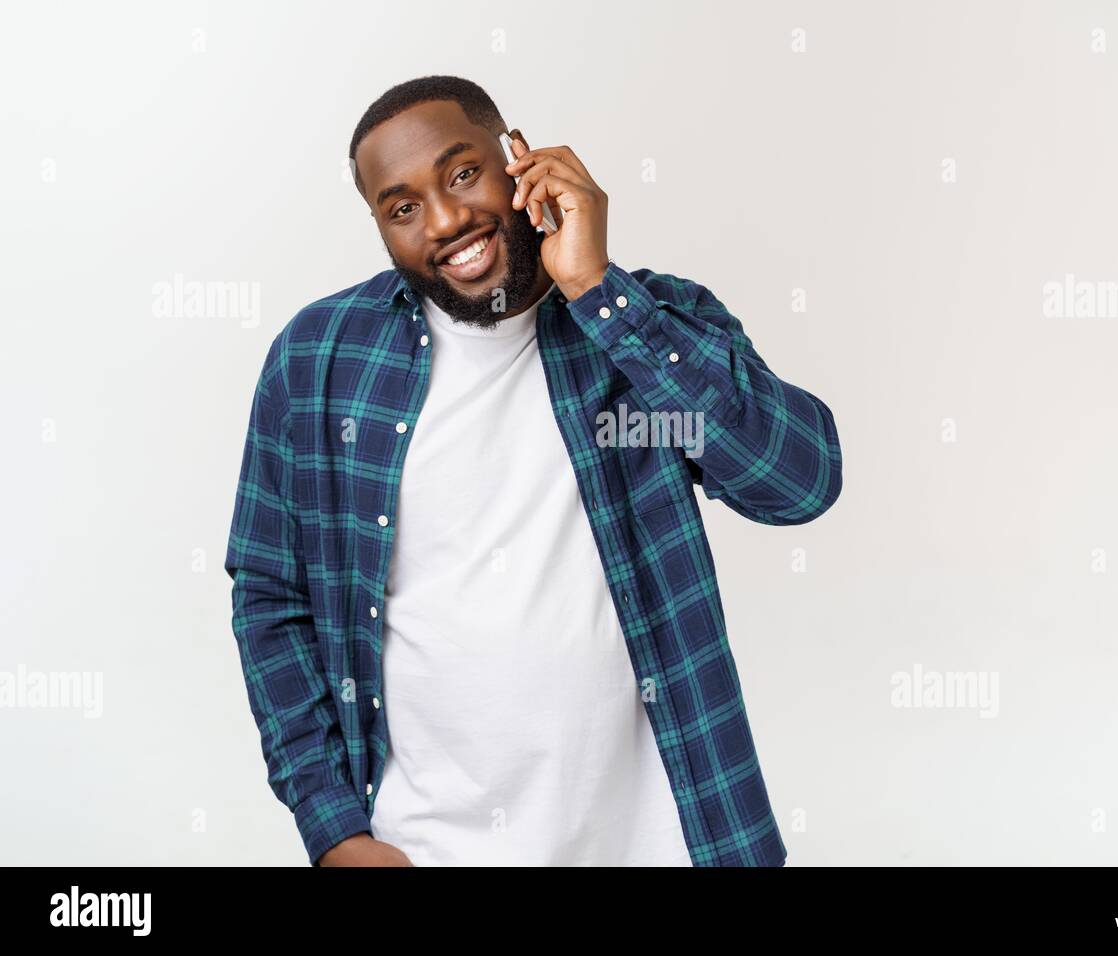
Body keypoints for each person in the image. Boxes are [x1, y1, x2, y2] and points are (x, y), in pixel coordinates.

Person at [224, 75, 843, 867]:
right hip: (429, 847)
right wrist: (335, 829)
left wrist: (597, 290)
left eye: (461, 175)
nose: (447, 221)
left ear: (518, 158)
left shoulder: (647, 330)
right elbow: (271, 598)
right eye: (403, 207)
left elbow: (800, 482)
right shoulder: (321, 362)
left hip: (670, 843)